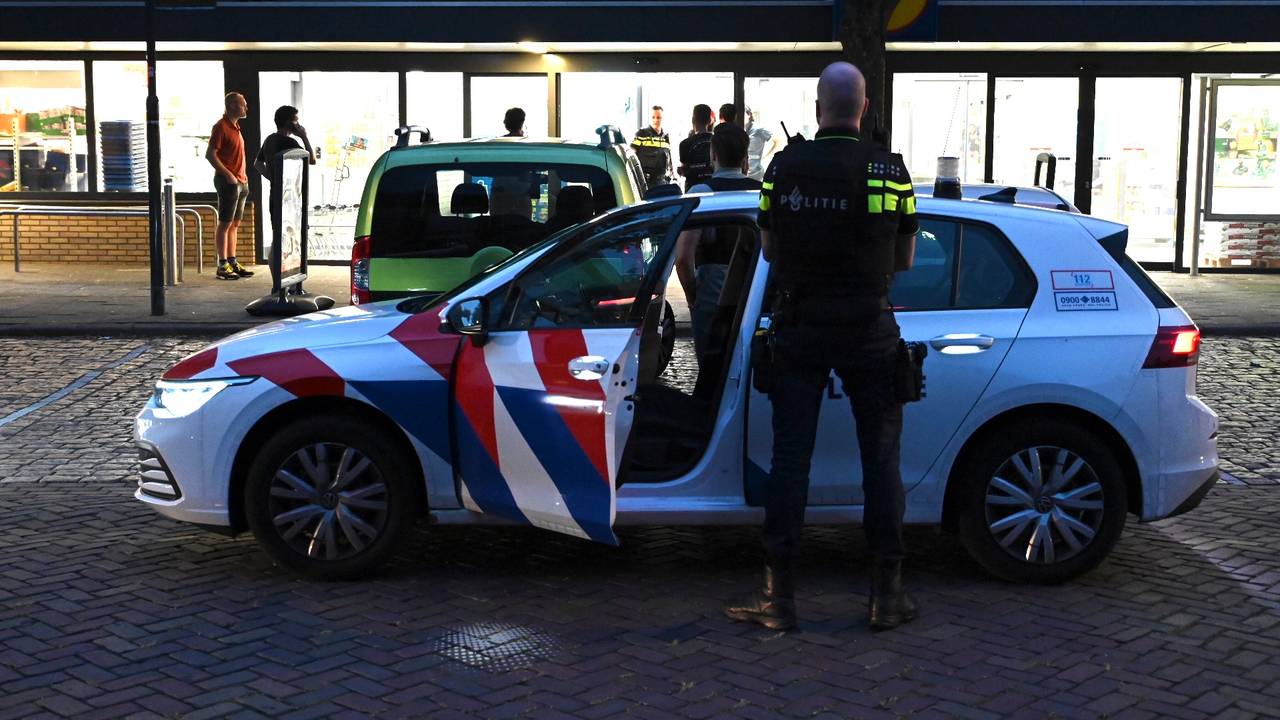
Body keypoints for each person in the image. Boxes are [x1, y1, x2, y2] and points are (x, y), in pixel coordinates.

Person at [724, 62, 919, 632]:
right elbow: (904, 260)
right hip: (869, 328)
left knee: (790, 462)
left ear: (817, 107)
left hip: (801, 325)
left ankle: (777, 600)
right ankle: (886, 597)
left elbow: (768, 249)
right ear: (864, 108)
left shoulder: (783, 168)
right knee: (881, 462)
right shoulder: (891, 170)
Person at [675, 127, 759, 398]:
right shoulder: (760, 193)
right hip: (753, 296)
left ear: (713, 154)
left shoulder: (703, 193)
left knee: (712, 379)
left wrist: (693, 298)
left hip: (712, 294)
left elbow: (683, 259)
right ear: (745, 157)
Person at [253, 105, 317, 291]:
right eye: (296, 120)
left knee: (277, 237)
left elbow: (257, 164)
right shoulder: (288, 143)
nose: (299, 123)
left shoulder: (269, 140)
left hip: (276, 195)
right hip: (292, 200)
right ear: (290, 122)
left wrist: (274, 179)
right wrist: (304, 136)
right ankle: (292, 283)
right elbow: (311, 159)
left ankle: (278, 284)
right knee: (293, 238)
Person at [206, 92, 253, 280]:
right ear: (233, 106)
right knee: (225, 223)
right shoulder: (220, 127)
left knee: (234, 224)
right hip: (229, 182)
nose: (246, 108)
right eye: (243, 105)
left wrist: (242, 178)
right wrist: (229, 176)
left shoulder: (236, 127)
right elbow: (210, 154)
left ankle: (232, 261)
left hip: (241, 181)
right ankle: (222, 265)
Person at [632, 105, 674, 188]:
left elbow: (669, 159)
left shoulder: (666, 137)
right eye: (653, 117)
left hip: (662, 182)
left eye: (658, 117)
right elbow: (632, 155)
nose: (655, 120)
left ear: (662, 118)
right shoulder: (641, 134)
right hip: (646, 183)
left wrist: (673, 176)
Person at [677, 104, 715, 192]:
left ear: (693, 120)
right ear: (710, 121)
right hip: (714, 189)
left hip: (692, 192)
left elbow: (685, 169)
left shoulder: (685, 144)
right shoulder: (718, 141)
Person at [744, 107, 782, 182]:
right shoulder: (738, 130)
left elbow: (778, 141)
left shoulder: (758, 130)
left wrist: (767, 157)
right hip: (742, 174)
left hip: (755, 175)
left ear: (748, 115)